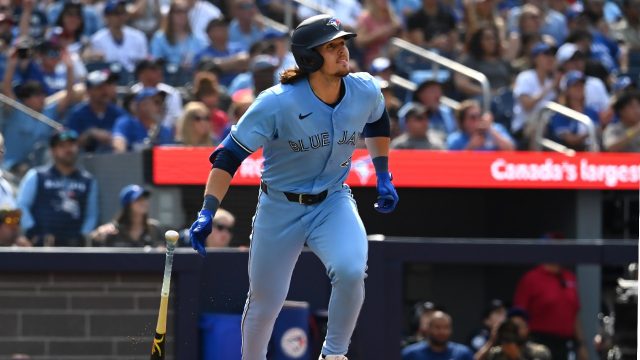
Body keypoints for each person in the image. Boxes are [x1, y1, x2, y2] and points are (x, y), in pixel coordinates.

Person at [188, 15, 399, 360]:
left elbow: (378, 120)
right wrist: (207, 210)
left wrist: (383, 173)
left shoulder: (364, 88)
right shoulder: (277, 102)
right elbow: (227, 157)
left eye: (343, 43)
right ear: (310, 57)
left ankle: (333, 355)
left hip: (332, 200)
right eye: (332, 47)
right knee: (265, 300)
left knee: (350, 270)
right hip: (280, 207)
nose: (343, 51)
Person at [17, 130, 98, 247]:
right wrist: (32, 230)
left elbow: (92, 215)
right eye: (62, 146)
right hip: (41, 246)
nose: (68, 150)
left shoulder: (88, 180)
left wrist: (83, 236)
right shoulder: (36, 175)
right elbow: (22, 205)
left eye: (71, 145)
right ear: (52, 151)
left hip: (74, 248)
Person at [513, 262, 588, 360]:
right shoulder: (531, 278)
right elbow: (518, 315)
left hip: (565, 343)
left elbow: (574, 315)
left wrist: (581, 344)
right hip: (538, 341)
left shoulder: (570, 277)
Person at [67, 69, 125, 152]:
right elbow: (70, 144)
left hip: (114, 160)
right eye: (99, 87)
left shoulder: (118, 113)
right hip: (86, 161)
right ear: (88, 91)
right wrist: (90, 134)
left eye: (107, 86)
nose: (104, 91)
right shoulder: (77, 114)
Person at [89, 184, 163, 247]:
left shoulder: (154, 229)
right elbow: (93, 241)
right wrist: (99, 233)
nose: (144, 202)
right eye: (138, 199)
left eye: (145, 198)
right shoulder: (113, 231)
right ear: (128, 205)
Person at [86, 0, 148, 72]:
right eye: (116, 13)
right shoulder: (97, 39)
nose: (120, 16)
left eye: (122, 13)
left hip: (134, 79)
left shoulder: (139, 37)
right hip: (110, 80)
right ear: (106, 16)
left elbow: (144, 66)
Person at [112, 88, 174, 152]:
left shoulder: (166, 131)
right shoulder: (126, 124)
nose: (162, 107)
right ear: (142, 105)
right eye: (157, 102)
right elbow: (118, 147)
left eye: (162, 103)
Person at [150, 0, 206, 71]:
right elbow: (156, 63)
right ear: (170, 14)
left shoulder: (196, 39)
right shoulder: (159, 38)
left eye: (185, 12)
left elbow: (202, 62)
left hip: (190, 77)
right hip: (167, 78)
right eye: (178, 12)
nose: (182, 15)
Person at [402, 311, 474, 360]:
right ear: (428, 329)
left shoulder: (463, 353)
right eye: (437, 327)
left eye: (446, 327)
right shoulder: (411, 354)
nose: (442, 331)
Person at [447, 100, 515, 151]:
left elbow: (511, 149)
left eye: (479, 116)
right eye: (473, 117)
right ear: (463, 122)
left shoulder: (496, 129)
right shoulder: (455, 140)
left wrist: (490, 129)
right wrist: (471, 147)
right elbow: (452, 165)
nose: (478, 120)